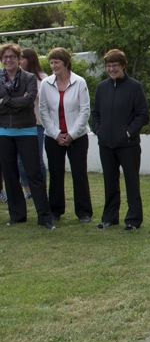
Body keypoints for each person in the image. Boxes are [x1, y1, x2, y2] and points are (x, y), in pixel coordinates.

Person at [92, 49, 149, 231]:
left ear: (123, 66)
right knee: (110, 182)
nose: (111, 69)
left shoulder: (134, 87)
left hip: (128, 145)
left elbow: (143, 115)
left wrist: (127, 133)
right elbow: (95, 114)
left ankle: (133, 220)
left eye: (115, 65)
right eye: (108, 66)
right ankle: (109, 217)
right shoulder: (102, 87)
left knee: (131, 182)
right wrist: (98, 130)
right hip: (106, 144)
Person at [0, 43, 56, 229]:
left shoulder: (30, 77)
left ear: (18, 58)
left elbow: (29, 101)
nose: (8, 60)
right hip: (4, 132)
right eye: (5, 57)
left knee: (34, 174)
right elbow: (20, 101)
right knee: (10, 175)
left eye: (12, 56)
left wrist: (5, 101)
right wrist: (17, 101)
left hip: (27, 131)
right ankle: (17, 215)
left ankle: (44, 216)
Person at [39, 47, 93, 223]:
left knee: (79, 173)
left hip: (77, 136)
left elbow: (85, 111)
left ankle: (84, 212)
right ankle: (55, 210)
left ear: (66, 62)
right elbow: (43, 110)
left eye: (57, 62)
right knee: (55, 173)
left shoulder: (80, 82)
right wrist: (56, 134)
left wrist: (72, 134)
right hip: (53, 136)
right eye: (51, 62)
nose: (54, 66)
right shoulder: (46, 83)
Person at [18, 47, 47, 199]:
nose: (19, 61)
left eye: (22, 58)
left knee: (37, 159)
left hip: (37, 124)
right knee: (20, 161)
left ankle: (42, 189)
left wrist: (28, 95)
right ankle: (27, 190)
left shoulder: (42, 78)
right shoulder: (17, 77)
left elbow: (41, 98)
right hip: (19, 124)